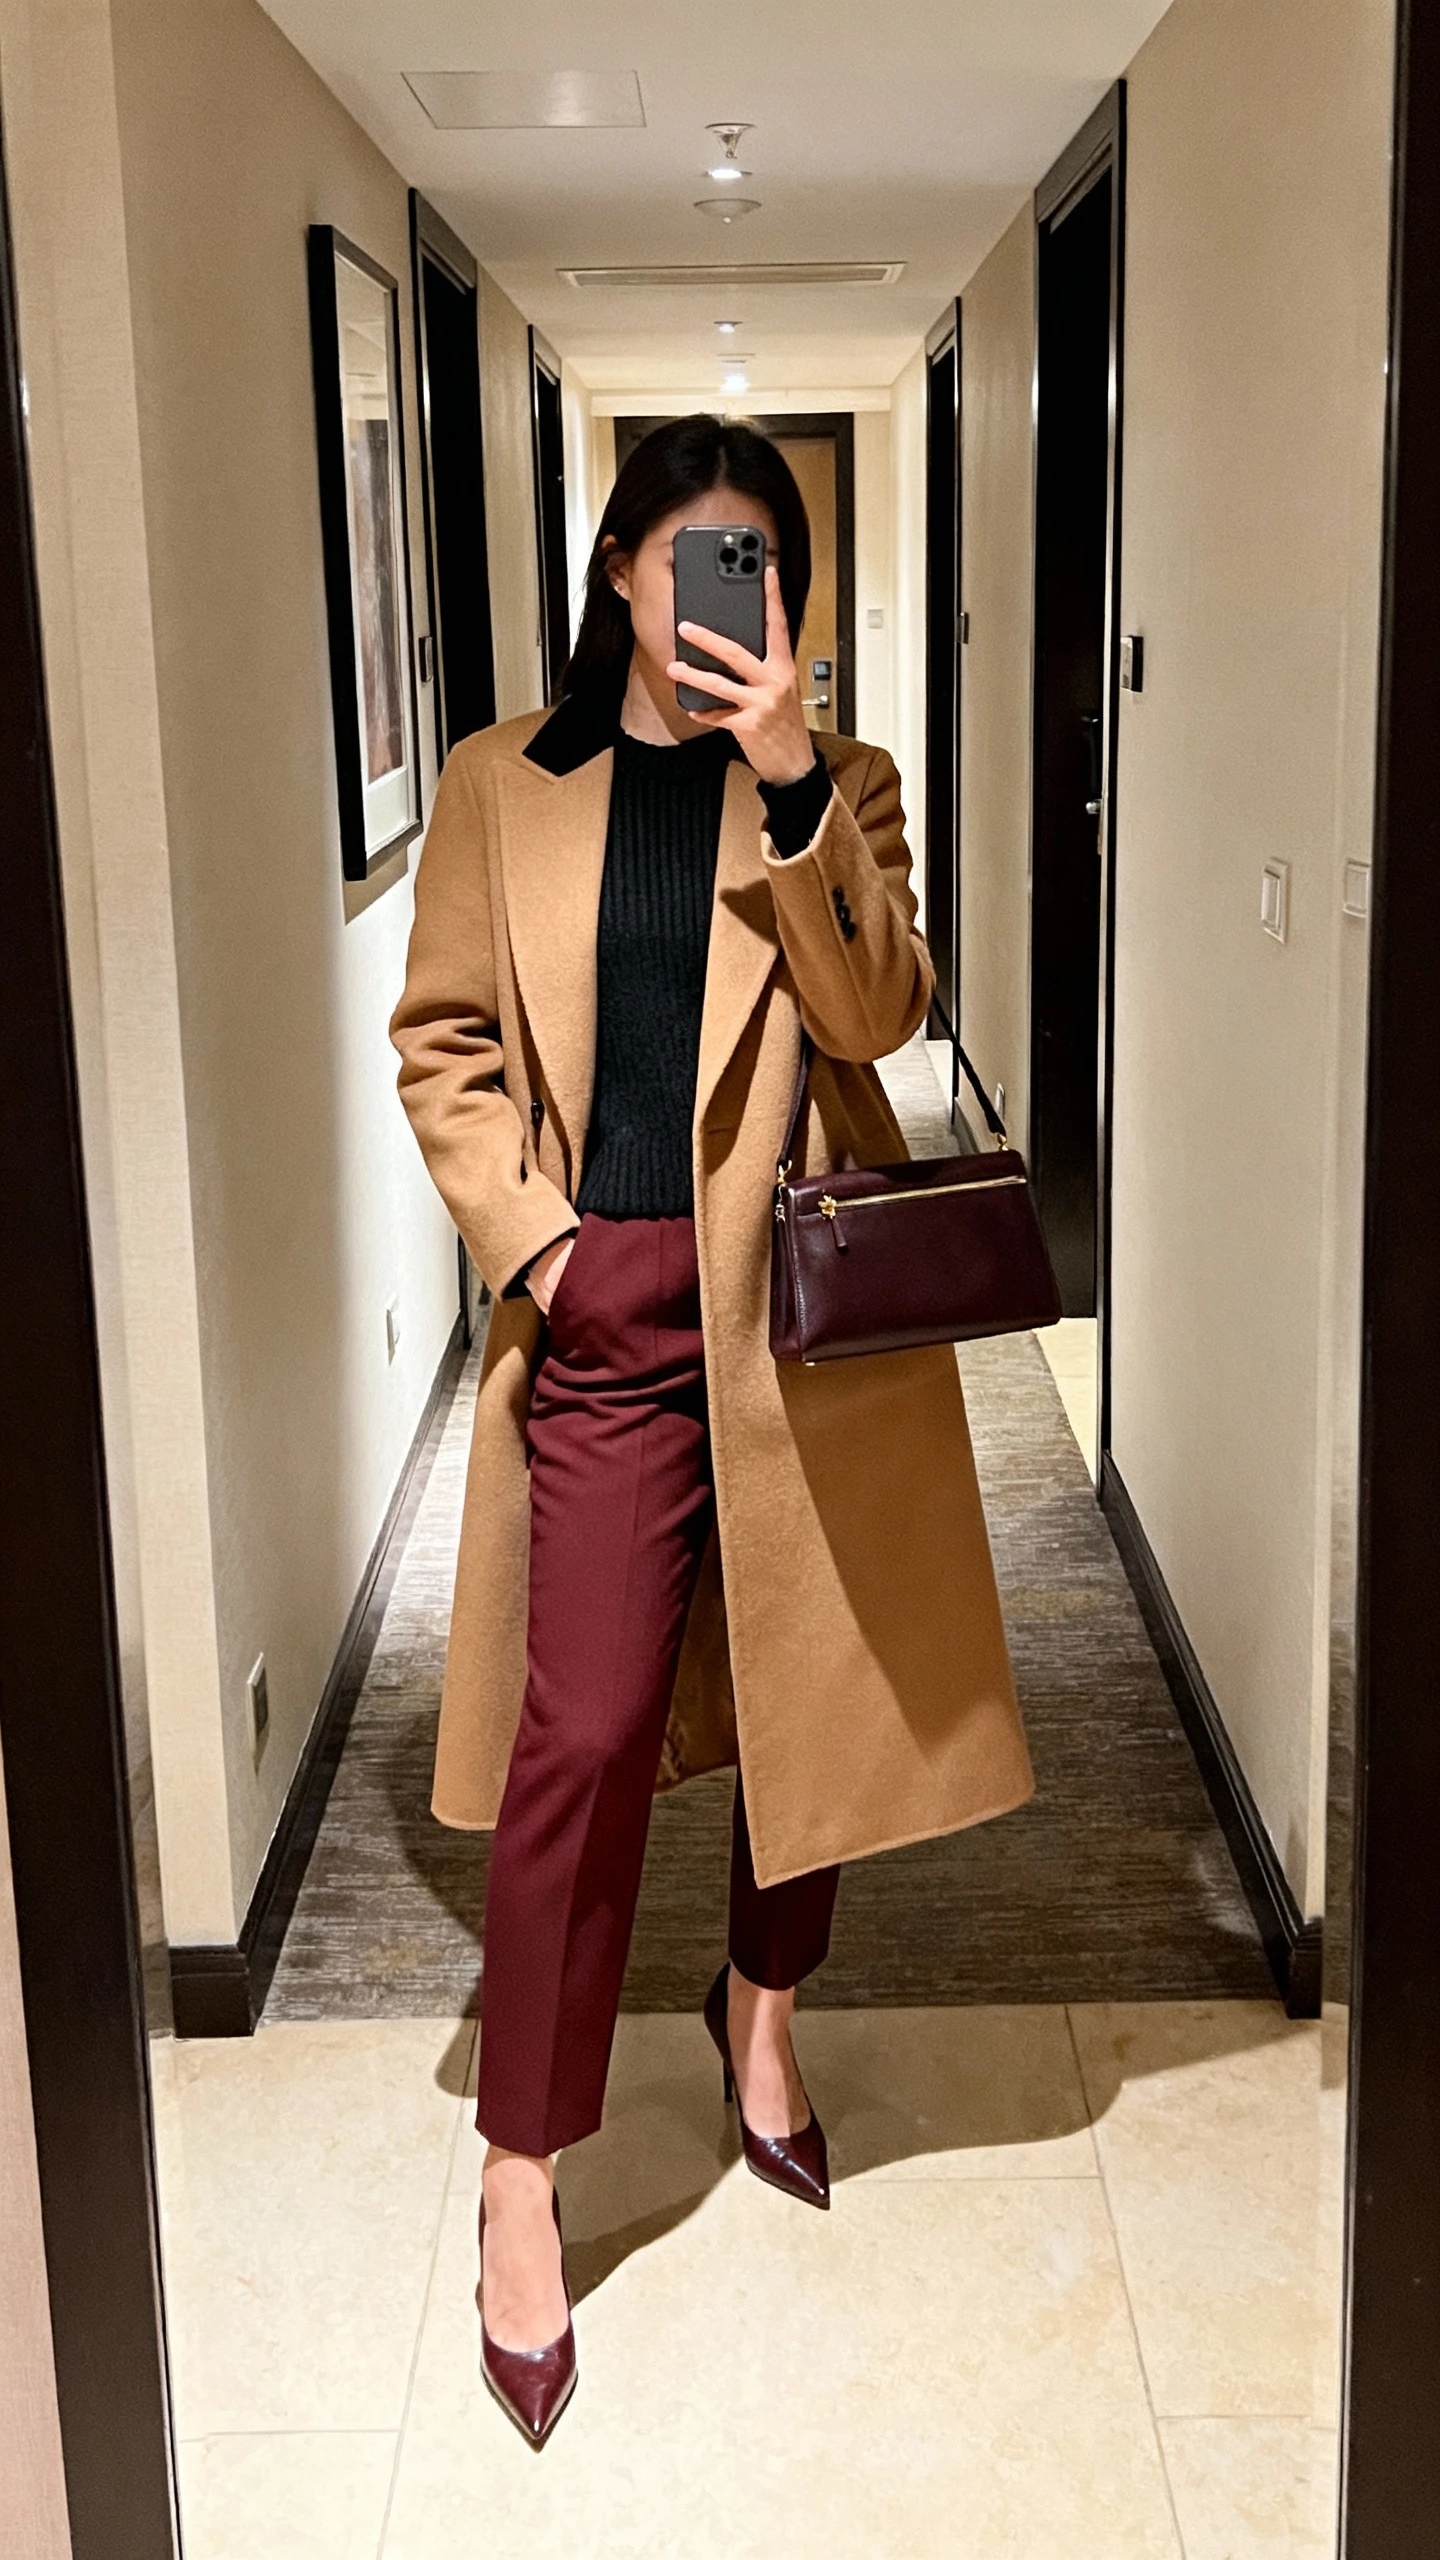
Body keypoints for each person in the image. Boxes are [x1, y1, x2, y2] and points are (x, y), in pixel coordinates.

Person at [390, 414, 1033, 2445]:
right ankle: (521, 2162)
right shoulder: (508, 782)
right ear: (620, 576)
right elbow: (448, 1044)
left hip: (797, 1329)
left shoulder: (843, 785)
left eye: (763, 560)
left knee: (801, 1701)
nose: (724, 594)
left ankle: (762, 2013)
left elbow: (882, 1014)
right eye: (696, 556)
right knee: (577, 1734)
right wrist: (543, 1245)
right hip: (605, 1315)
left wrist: (788, 793)